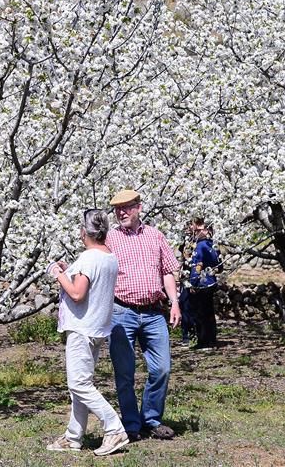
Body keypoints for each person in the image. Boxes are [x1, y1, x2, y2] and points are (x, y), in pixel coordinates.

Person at [45, 209, 131, 456]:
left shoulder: (89, 258)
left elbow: (77, 293)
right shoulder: (109, 257)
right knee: (80, 384)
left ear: (85, 232)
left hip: (82, 329)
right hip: (97, 327)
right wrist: (69, 269)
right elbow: (90, 283)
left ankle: (114, 428)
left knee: (79, 384)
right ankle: (73, 436)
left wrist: (59, 274)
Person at [106, 189, 181, 441]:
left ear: (139, 207)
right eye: (117, 209)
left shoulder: (155, 236)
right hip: (121, 312)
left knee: (161, 368)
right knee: (124, 373)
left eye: (126, 207)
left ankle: (151, 419)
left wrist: (174, 303)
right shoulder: (110, 239)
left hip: (153, 313)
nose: (121, 212)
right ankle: (131, 424)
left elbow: (167, 271)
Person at [186, 218, 220, 349]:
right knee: (209, 312)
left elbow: (197, 265)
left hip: (202, 283)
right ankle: (211, 339)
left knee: (200, 313)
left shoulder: (201, 245)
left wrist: (193, 282)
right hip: (211, 281)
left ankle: (204, 340)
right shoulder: (212, 244)